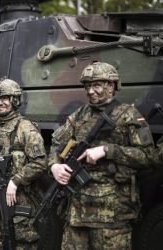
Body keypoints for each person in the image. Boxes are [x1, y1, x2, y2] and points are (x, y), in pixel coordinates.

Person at [49, 61, 155, 249]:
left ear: (111, 85)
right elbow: (57, 145)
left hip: (111, 216)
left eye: (96, 85)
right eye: (88, 86)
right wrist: (55, 166)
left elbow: (148, 156)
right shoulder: (79, 116)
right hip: (77, 215)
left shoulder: (127, 115)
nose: (90, 91)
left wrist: (107, 151)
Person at [0, 78, 47, 249]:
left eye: (4, 98)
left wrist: (16, 180)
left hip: (19, 200)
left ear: (14, 100)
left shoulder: (25, 128)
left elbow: (40, 163)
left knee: (21, 242)